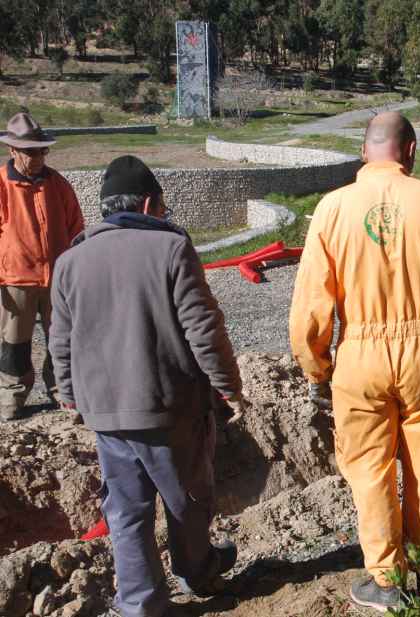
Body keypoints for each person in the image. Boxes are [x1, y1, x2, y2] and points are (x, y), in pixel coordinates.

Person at [290, 112, 420, 611]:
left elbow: (312, 303)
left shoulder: (332, 209)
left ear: (364, 152)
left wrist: (317, 368)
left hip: (360, 353)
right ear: (411, 150)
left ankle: (384, 580)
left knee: (369, 468)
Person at [48, 156, 245, 617]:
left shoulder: (70, 260)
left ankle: (139, 603)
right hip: (168, 406)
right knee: (188, 498)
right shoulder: (171, 249)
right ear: (151, 203)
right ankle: (198, 573)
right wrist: (228, 385)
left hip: (105, 412)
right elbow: (203, 328)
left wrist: (68, 393)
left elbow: (60, 337)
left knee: (125, 509)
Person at [0, 112, 83, 421]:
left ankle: (64, 393)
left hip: (58, 278)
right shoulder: (1, 184)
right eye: (30, 151)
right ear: (13, 151)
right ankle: (12, 399)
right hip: (16, 278)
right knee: (14, 344)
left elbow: (75, 226)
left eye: (42, 150)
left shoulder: (57, 184)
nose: (37, 157)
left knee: (62, 339)